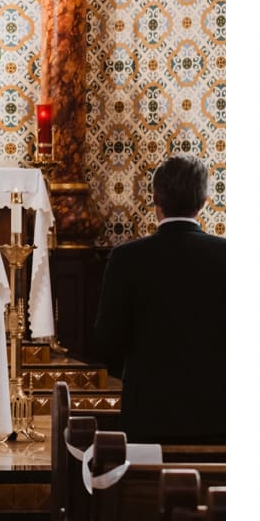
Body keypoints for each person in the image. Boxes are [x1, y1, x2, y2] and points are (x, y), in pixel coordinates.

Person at [92, 156, 226, 443]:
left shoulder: (126, 258)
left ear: (155, 198)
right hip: (218, 414)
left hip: (149, 413)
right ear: (204, 201)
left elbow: (106, 340)